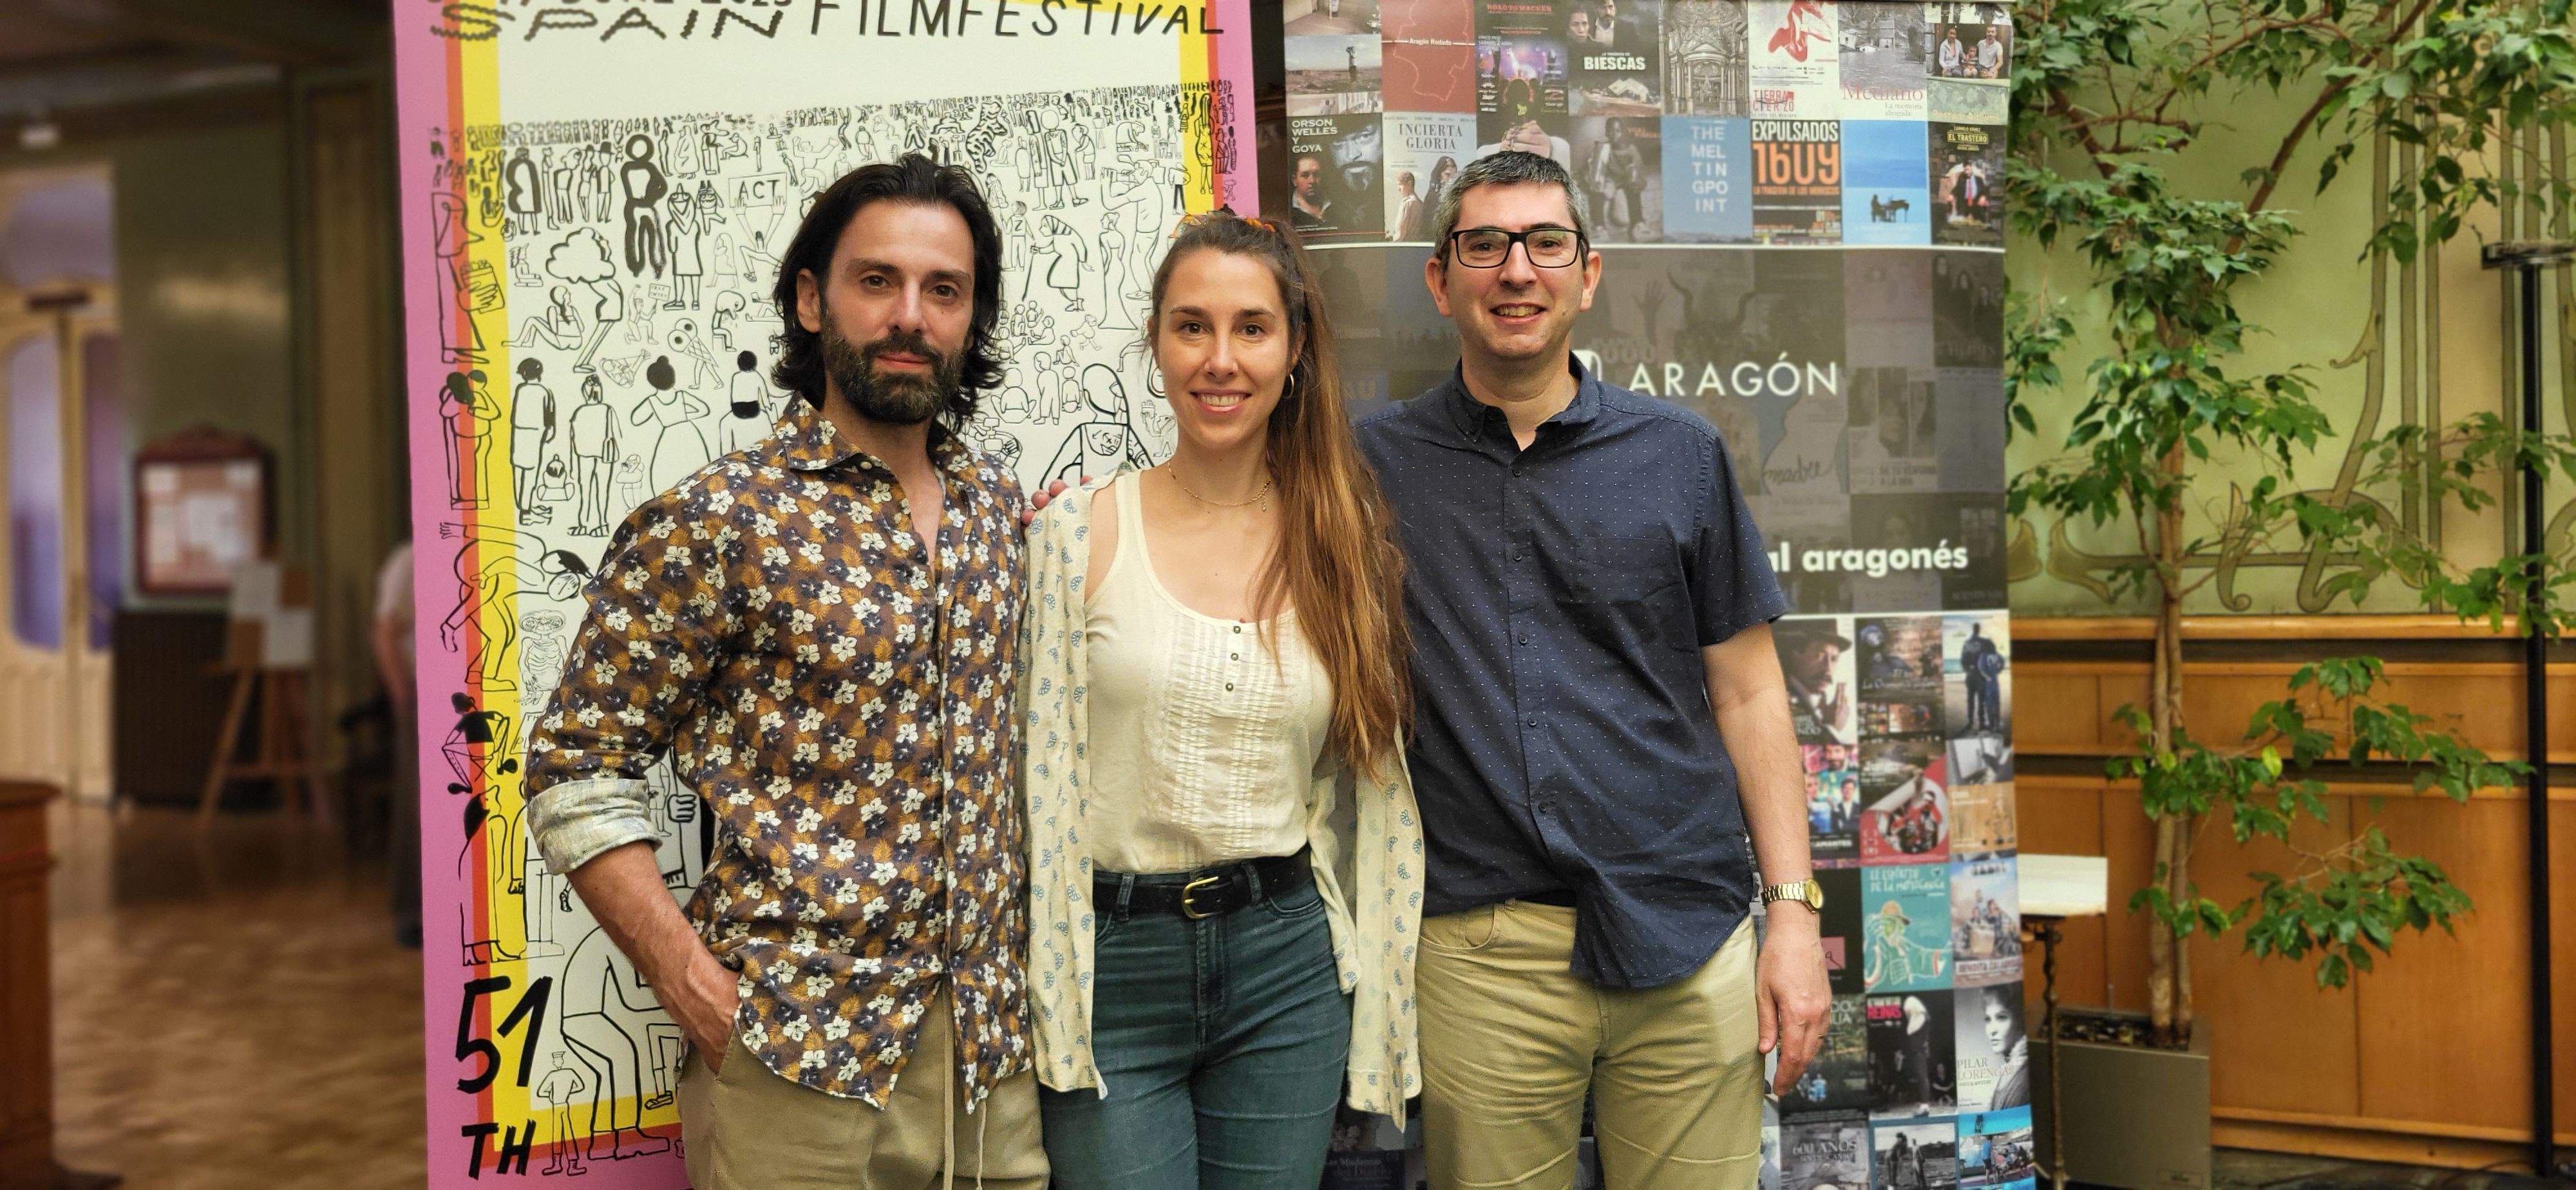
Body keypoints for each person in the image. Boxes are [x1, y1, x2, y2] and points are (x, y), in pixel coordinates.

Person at [521, 153, 1048, 1190]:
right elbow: (574, 766)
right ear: (812, 300)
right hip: (798, 1066)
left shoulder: (997, 508)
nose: (911, 316)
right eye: (876, 280)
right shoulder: (721, 519)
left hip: (992, 1066)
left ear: (972, 318)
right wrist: (688, 980)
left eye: (944, 290)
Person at [1354, 151, 1830, 1188]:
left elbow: (1750, 693)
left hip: (1688, 938)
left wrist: (1792, 913)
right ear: (1441, 280)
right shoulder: (1369, 469)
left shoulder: (1679, 452)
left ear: (1589, 273)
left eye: (1545, 244)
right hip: (1484, 956)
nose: (1516, 270)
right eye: (1484, 245)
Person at [1019, 210, 1423, 1187]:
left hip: (1283, 967)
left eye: (1251, 327)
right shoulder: (1079, 533)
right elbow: (1031, 788)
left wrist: (1381, 1004)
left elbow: (1370, 792)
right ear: (1157, 344)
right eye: (1191, 325)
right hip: (1112, 969)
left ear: (1293, 352)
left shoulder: (1342, 541)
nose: (1221, 358)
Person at [1982, 985, 2030, 1109]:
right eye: (1988, 1019)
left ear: (2020, 1020)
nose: (1992, 1030)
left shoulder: (2025, 1075)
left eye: (2001, 1017)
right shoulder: (2007, 1068)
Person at [1290, 153, 1332, 229]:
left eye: (1316, 174)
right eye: (1305, 175)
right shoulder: (1286, 213)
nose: (1312, 181)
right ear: (1294, 180)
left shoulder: (1339, 205)